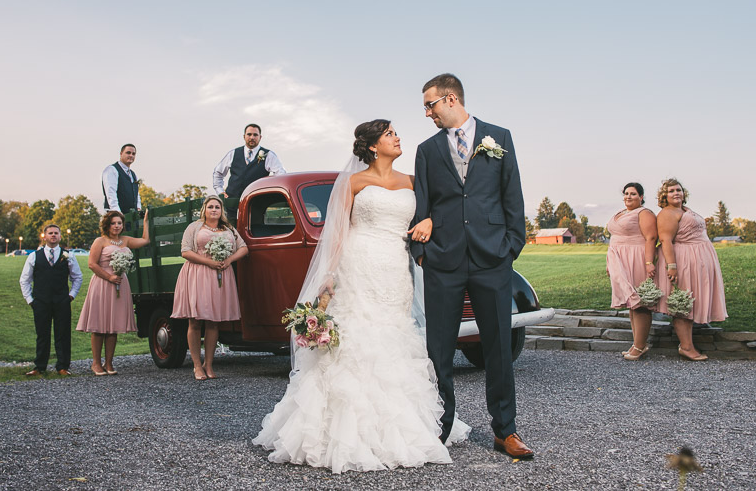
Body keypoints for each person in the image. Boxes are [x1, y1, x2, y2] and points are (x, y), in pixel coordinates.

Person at [253, 120, 469, 474]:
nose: (397, 137)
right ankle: (345, 431)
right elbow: (337, 233)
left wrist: (428, 221)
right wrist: (329, 277)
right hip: (358, 264)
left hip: (396, 270)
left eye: (396, 133)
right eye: (389, 134)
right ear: (371, 146)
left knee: (394, 335)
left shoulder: (413, 182)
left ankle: (403, 424)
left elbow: (438, 212)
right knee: (356, 338)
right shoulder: (353, 183)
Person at [408, 73, 533, 460]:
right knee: (439, 349)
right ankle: (441, 427)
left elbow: (512, 195)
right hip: (443, 261)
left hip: (492, 258)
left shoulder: (500, 137)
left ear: (449, 99)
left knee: (497, 346)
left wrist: (511, 246)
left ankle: (505, 431)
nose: (426, 113)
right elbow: (421, 207)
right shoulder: (426, 150)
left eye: (429, 105)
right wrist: (423, 254)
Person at [171, 196, 248, 380]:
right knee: (195, 321)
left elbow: (243, 248)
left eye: (217, 207)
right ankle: (197, 365)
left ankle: (209, 365)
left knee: (214, 321)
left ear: (221, 211)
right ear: (204, 210)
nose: (214, 210)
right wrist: (209, 262)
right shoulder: (195, 227)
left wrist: (228, 260)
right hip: (198, 274)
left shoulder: (228, 229)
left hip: (221, 275)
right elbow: (185, 251)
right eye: (210, 207)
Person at [655, 178, 728, 362]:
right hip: (684, 260)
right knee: (683, 303)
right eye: (671, 191)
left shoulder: (685, 211)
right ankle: (686, 347)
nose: (676, 193)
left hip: (699, 260)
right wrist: (672, 266)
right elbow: (665, 240)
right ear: (664, 196)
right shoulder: (667, 213)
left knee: (691, 301)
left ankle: (688, 344)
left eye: (678, 189)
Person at [76, 209, 149, 375]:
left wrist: (145, 221)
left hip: (120, 284)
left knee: (113, 325)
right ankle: (96, 363)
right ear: (107, 225)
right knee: (100, 325)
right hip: (102, 283)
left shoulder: (125, 240)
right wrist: (109, 277)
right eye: (113, 223)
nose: (116, 226)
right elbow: (92, 264)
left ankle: (109, 363)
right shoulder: (100, 241)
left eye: (119, 223)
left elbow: (145, 240)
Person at [18, 224, 83, 377]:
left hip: (62, 301)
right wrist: (30, 300)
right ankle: (39, 367)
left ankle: (63, 366)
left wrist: (71, 295)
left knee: (63, 334)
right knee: (42, 334)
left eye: (56, 233)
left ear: (60, 236)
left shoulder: (68, 255)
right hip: (40, 301)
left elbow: (77, 277)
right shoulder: (34, 256)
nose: (53, 235)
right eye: (50, 233)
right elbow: (24, 280)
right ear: (44, 236)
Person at [605, 183, 660, 361]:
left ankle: (640, 345)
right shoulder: (622, 213)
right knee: (631, 303)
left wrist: (649, 262)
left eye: (633, 194)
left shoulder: (644, 213)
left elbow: (651, 237)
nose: (629, 196)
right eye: (626, 193)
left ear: (641, 197)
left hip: (636, 257)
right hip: (619, 259)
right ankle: (637, 343)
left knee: (640, 302)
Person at [212, 124, 286, 220]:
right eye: (249, 134)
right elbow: (218, 172)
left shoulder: (268, 155)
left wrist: (269, 192)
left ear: (260, 137)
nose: (252, 137)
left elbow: (281, 175)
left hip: (256, 204)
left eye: (255, 135)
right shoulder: (233, 153)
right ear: (244, 136)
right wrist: (220, 191)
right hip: (231, 205)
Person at [102, 144, 141, 214]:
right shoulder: (112, 170)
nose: (131, 155)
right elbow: (111, 193)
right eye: (128, 153)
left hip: (132, 218)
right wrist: (117, 213)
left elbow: (136, 193)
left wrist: (138, 208)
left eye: (133, 154)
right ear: (121, 154)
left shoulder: (133, 174)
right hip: (116, 217)